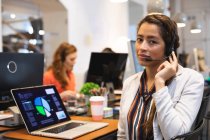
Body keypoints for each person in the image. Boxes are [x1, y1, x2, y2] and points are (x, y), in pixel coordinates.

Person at [117, 14, 204, 140]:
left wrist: (160, 82)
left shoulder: (191, 80)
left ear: (169, 48)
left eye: (152, 41)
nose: (142, 47)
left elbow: (174, 134)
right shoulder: (130, 82)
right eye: (140, 39)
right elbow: (122, 134)